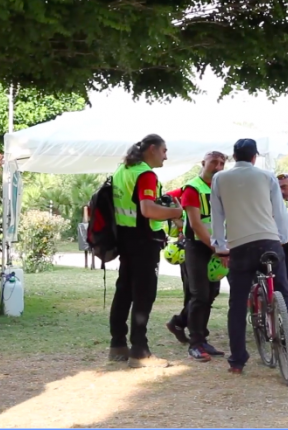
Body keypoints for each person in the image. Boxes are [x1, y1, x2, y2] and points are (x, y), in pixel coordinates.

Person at [211, 138, 288, 374]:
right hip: (269, 241)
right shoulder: (267, 176)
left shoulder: (219, 178)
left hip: (240, 245)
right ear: (255, 157)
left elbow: (217, 214)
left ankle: (237, 360)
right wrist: (284, 237)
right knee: (284, 294)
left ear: (234, 156)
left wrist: (221, 245)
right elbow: (280, 211)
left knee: (237, 302)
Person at [108, 134, 184, 369]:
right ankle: (140, 352)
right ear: (152, 149)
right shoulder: (146, 174)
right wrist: (175, 212)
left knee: (124, 291)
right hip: (144, 240)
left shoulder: (124, 169)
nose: (166, 156)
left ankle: (118, 344)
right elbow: (148, 209)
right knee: (143, 294)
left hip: (126, 237)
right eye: (164, 151)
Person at [179, 151, 227, 362]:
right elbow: (196, 224)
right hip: (198, 246)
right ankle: (196, 343)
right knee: (199, 294)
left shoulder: (221, 188)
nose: (218, 167)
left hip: (216, 246)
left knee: (211, 292)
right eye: (214, 162)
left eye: (222, 163)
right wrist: (216, 247)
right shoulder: (193, 188)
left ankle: (196, 334)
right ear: (203, 163)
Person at [164, 186, 192, 344]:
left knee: (205, 292)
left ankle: (187, 324)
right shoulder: (189, 189)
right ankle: (180, 323)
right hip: (189, 245)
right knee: (195, 293)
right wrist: (180, 221)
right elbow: (165, 198)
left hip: (205, 244)